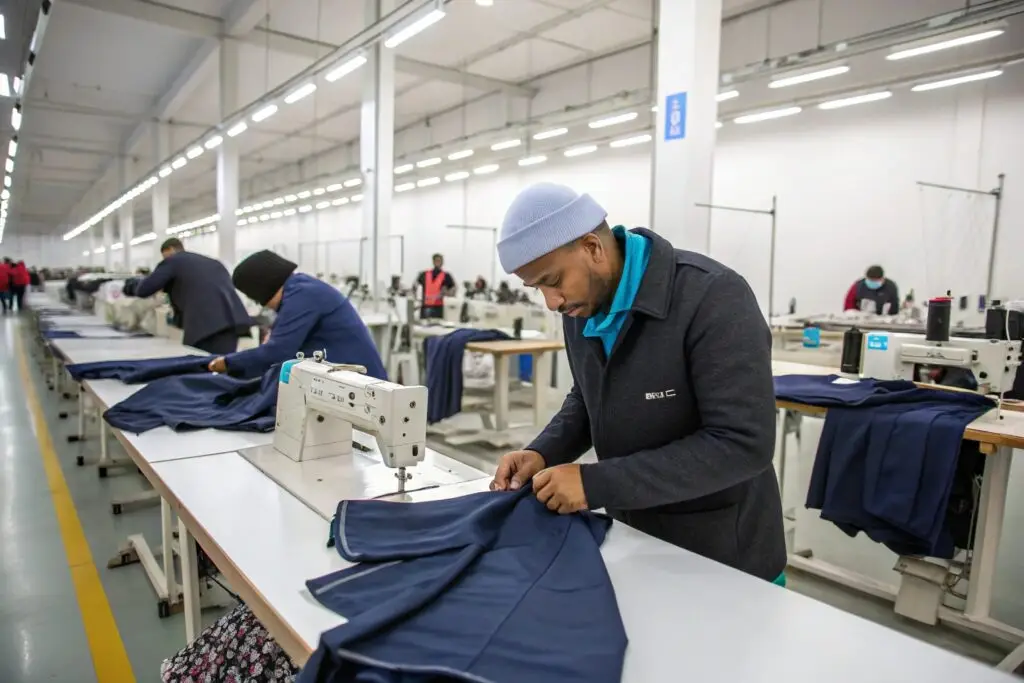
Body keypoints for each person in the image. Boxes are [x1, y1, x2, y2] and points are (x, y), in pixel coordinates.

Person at [489, 183, 786, 585]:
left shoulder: (713, 297)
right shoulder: (581, 307)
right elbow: (589, 397)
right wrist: (543, 452)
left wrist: (594, 483)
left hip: (724, 558)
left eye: (553, 280)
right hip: (635, 540)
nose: (551, 302)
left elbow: (742, 443)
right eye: (537, 288)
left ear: (592, 247)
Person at [207, 250, 387, 380]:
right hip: (350, 382)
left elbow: (275, 352)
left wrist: (229, 362)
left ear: (262, 291)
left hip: (362, 387)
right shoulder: (302, 288)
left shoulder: (302, 296)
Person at [126, 238, 253, 354]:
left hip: (204, 326)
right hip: (232, 323)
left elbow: (143, 290)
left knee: (200, 368)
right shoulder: (213, 262)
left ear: (170, 250)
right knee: (221, 367)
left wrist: (133, 284)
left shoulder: (173, 261)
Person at [416, 253, 455, 319]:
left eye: (439, 261)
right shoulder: (424, 274)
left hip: (438, 308)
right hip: (426, 307)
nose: (438, 262)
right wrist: (416, 299)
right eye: (436, 260)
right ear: (433, 262)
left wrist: (447, 293)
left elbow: (453, 289)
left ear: (442, 262)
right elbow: (415, 286)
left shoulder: (446, 276)